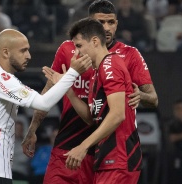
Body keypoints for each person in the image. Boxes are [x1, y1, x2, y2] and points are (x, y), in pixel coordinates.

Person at [22, 0, 158, 183]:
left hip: (105, 151)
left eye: (111, 22)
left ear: (117, 23)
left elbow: (152, 100)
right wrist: (32, 129)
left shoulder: (126, 56)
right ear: (90, 24)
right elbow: (49, 92)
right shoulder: (70, 50)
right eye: (100, 23)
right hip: (69, 144)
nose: (107, 28)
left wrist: (139, 96)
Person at [0, 28, 92, 184]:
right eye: (23, 51)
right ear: (6, 52)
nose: (28, 56)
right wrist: (73, 73)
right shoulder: (2, 79)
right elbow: (43, 103)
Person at [45, 17, 142, 184]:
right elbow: (91, 119)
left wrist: (82, 147)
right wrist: (68, 90)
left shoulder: (110, 65)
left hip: (120, 158)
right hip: (106, 159)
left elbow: (118, 115)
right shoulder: (98, 72)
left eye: (79, 46)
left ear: (95, 41)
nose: (76, 53)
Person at [168, 99, 182, 184]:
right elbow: (173, 138)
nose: (178, 111)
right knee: (179, 175)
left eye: (180, 108)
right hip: (179, 153)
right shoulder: (173, 123)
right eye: (176, 109)